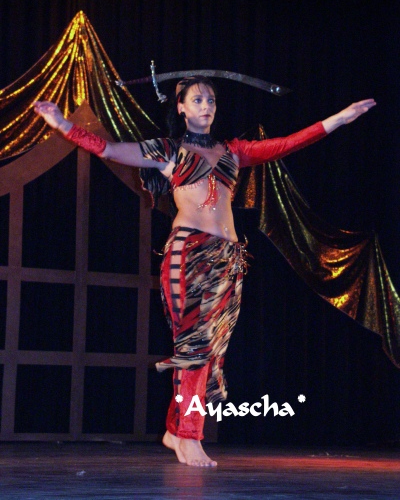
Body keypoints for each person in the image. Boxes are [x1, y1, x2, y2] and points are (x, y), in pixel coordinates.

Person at [33, 77, 375, 467]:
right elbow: (109, 149)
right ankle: (188, 436)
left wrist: (339, 118)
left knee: (208, 350)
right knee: (194, 346)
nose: (206, 106)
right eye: (197, 100)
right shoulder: (168, 150)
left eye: (211, 100)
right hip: (188, 253)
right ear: (181, 107)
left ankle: (175, 431)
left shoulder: (233, 152)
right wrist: (62, 124)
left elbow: (286, 144)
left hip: (228, 258)